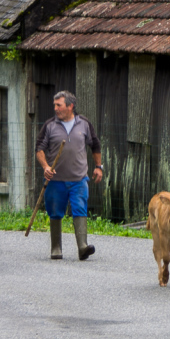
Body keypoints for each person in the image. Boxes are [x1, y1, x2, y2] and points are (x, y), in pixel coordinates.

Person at [35, 91, 103, 260]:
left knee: (80, 209)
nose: (55, 108)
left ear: (70, 106)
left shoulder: (84, 124)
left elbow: (95, 145)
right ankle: (56, 248)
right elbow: (39, 149)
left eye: (59, 105)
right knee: (55, 212)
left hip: (78, 179)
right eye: (55, 105)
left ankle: (82, 247)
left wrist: (98, 167)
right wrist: (45, 167)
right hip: (55, 180)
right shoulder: (50, 125)